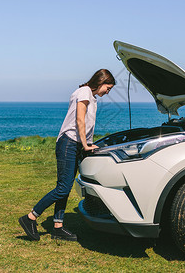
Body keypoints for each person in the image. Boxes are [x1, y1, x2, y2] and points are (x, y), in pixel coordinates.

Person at [18, 69, 115, 241]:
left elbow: (86, 122)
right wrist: (85, 144)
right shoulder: (84, 91)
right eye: (108, 87)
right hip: (69, 143)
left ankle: (58, 227)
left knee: (65, 187)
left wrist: (88, 142)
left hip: (75, 144)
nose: (108, 91)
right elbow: (80, 119)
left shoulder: (91, 96)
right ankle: (30, 218)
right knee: (62, 188)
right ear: (101, 81)